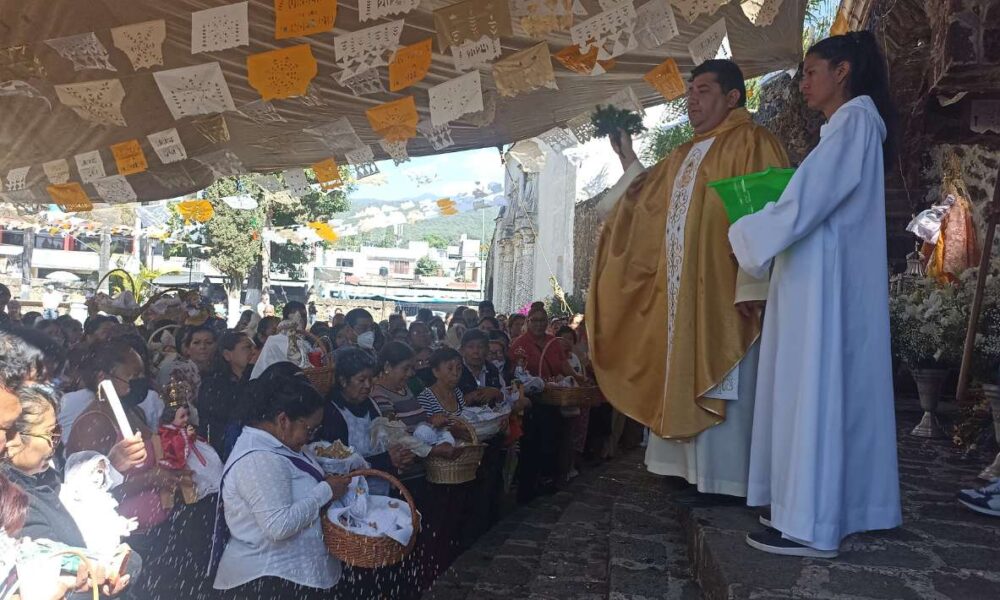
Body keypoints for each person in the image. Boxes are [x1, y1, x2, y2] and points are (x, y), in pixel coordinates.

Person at [728, 32, 902, 557]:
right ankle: (812, 503)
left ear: (842, 71)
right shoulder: (848, 127)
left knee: (817, 388)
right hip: (818, 275)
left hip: (824, 281)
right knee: (819, 391)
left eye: (810, 71)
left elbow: (808, 202)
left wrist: (747, 230)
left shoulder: (853, 122)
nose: (803, 83)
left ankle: (812, 521)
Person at [586, 59, 789, 505]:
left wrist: (754, 282)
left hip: (723, 291)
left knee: (725, 376)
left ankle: (726, 478)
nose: (691, 101)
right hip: (680, 299)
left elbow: (767, 212)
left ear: (733, 97)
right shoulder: (681, 153)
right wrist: (627, 158)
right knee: (677, 368)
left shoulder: (753, 141)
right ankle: (680, 469)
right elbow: (643, 201)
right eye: (689, 93)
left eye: (702, 91)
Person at [213, 368, 349, 599]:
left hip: (295, 575)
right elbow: (278, 526)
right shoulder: (258, 459)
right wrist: (326, 491)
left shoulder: (279, 443)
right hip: (269, 581)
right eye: (309, 429)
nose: (311, 436)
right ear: (283, 420)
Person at [320, 349, 415, 476]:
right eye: (361, 380)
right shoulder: (332, 413)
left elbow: (384, 441)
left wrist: (401, 456)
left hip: (381, 484)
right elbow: (339, 465)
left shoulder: (370, 404)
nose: (368, 385)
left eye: (371, 379)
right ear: (343, 381)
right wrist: (386, 460)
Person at [199, 331, 255, 458]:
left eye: (254, 347)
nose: (253, 351)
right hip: (223, 450)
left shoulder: (256, 378)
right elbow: (233, 411)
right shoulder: (213, 384)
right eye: (247, 347)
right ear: (227, 355)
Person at [457, 329, 503, 407]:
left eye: (480, 347)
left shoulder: (492, 369)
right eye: (470, 347)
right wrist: (467, 398)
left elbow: (506, 397)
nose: (476, 351)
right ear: (462, 350)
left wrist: (496, 392)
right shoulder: (455, 371)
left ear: (487, 350)